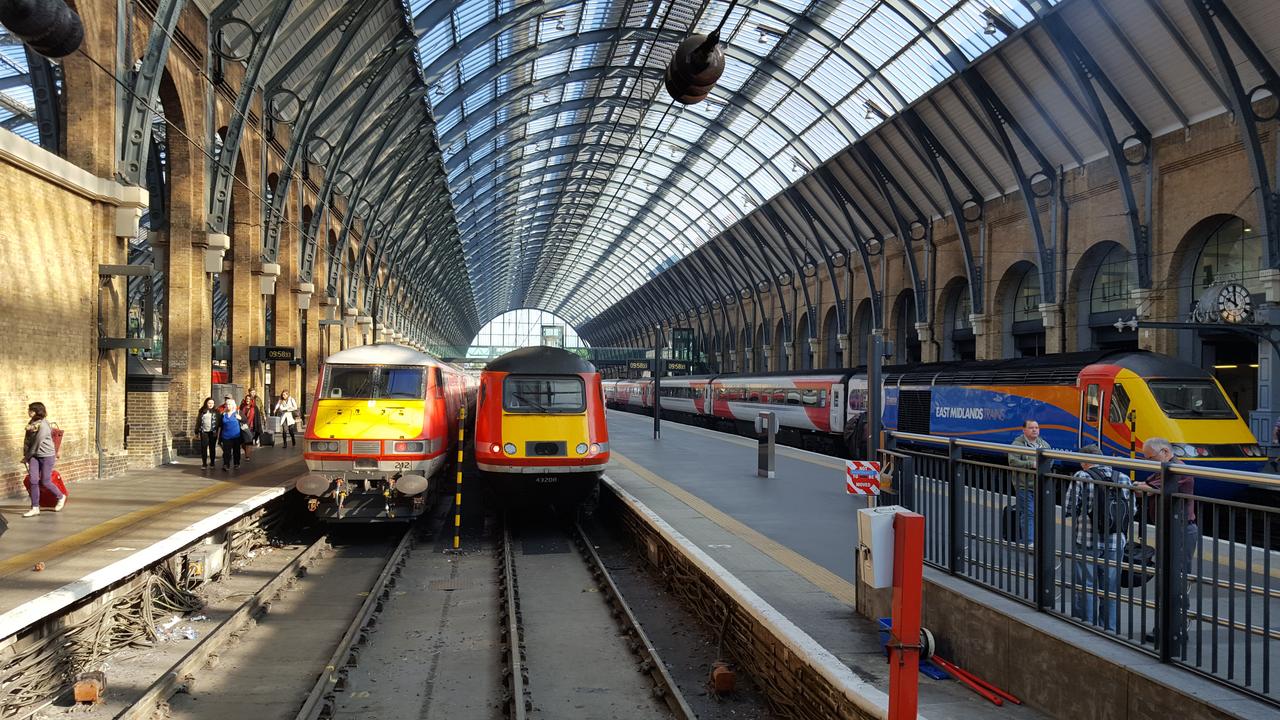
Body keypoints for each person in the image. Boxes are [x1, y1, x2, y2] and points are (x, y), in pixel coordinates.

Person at [1064, 443, 1132, 632]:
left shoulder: (1082, 476)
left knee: (1086, 584)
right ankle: (1109, 628)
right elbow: (1132, 510)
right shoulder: (1123, 478)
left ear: (1085, 462)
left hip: (1086, 540)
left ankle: (1086, 626)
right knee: (1110, 588)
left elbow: (1070, 507)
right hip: (1115, 541)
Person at [1137, 437, 1198, 651]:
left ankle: (1177, 630)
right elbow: (1149, 483)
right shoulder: (1165, 467)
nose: (1150, 463)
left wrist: (1144, 487)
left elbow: (1154, 486)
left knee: (1177, 580)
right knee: (1167, 579)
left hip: (1181, 530)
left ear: (1164, 452)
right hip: (1170, 529)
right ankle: (1165, 628)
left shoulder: (1179, 470)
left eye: (1151, 458)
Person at [1008, 419, 1050, 543]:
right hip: (1023, 485)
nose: (1035, 430)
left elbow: (1051, 459)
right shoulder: (1017, 444)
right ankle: (1029, 542)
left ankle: (1038, 541)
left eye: (1036, 428)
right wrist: (1030, 464)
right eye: (1031, 428)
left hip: (1040, 485)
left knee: (1039, 513)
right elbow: (1013, 461)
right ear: (1024, 430)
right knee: (1028, 513)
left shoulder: (1044, 444)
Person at [21, 402, 65, 517]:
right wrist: (26, 454)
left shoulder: (44, 425)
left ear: (36, 411)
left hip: (46, 456)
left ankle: (61, 496)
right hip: (35, 456)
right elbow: (27, 441)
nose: (28, 411)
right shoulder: (32, 423)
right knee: (33, 481)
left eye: (30, 410)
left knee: (45, 481)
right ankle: (35, 507)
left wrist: (27, 457)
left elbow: (36, 443)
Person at [217, 395, 244, 470]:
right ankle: (226, 464)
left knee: (236, 451)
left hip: (236, 436)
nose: (228, 406)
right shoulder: (223, 414)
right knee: (226, 452)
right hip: (226, 436)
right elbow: (220, 426)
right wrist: (219, 437)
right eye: (227, 404)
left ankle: (236, 463)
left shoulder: (238, 412)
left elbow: (245, 421)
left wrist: (240, 418)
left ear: (233, 406)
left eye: (229, 404)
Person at [195, 397, 219, 468]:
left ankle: (212, 463)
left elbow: (218, 422)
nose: (210, 404)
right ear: (206, 403)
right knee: (204, 447)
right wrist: (196, 432)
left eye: (212, 403)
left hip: (213, 432)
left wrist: (218, 431)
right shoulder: (202, 411)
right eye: (209, 403)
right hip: (204, 432)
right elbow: (198, 421)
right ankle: (204, 463)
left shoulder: (216, 412)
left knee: (212, 447)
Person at [239, 389, 263, 460]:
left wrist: (258, 427)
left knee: (249, 441)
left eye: (249, 399)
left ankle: (247, 456)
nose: (247, 400)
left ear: (251, 400)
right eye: (246, 399)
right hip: (243, 426)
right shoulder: (242, 407)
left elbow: (257, 418)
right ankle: (246, 451)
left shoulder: (255, 408)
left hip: (251, 427)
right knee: (243, 442)